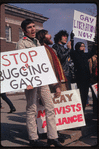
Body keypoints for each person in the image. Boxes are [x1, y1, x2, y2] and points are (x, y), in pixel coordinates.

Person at [16, 19, 63, 147]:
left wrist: (55, 85)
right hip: (31, 82)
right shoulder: (21, 43)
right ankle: (33, 138)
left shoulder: (38, 43)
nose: (33, 29)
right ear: (24, 30)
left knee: (50, 107)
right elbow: (21, 65)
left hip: (43, 81)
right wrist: (26, 81)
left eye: (33, 27)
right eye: (29, 27)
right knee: (32, 109)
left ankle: (53, 137)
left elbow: (45, 66)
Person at [70, 42, 97, 111]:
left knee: (85, 95)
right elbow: (72, 51)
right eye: (82, 46)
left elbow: (92, 52)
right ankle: (81, 110)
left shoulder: (85, 55)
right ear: (78, 47)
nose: (84, 47)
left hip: (87, 78)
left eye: (84, 46)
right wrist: (72, 41)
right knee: (81, 95)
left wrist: (95, 45)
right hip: (80, 78)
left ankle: (83, 109)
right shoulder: (75, 54)